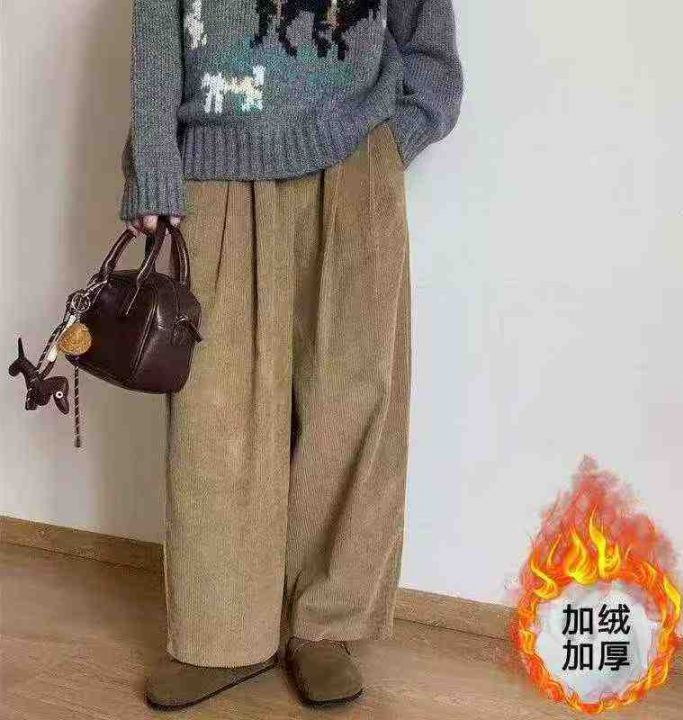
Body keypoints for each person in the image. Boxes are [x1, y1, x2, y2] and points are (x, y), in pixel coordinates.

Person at [120, 0, 463, 709]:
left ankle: (325, 627)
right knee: (216, 409)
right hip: (215, 165)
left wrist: (389, 142)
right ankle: (221, 633)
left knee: (350, 395)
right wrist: (153, 163)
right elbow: (155, 22)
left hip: (353, 160)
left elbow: (427, 39)